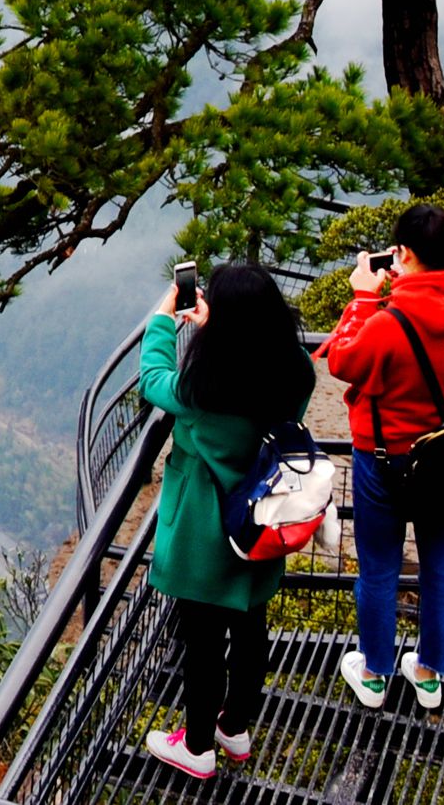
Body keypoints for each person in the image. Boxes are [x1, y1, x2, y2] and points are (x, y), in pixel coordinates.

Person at [136, 260, 315, 781]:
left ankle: (195, 747)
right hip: (263, 516)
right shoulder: (293, 371)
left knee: (203, 641)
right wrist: (226, 325)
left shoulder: (204, 386)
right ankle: (234, 729)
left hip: (204, 530)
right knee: (252, 627)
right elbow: (260, 360)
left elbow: (153, 379)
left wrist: (163, 318)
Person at [317, 201, 444, 715]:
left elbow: (345, 361)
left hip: (383, 458)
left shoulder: (387, 322)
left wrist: (362, 297)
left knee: (378, 568)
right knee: (442, 566)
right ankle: (430, 672)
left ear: (401, 254)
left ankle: (374, 673)